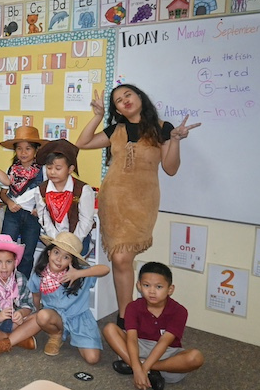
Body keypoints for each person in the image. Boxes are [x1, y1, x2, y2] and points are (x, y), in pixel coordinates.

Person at [75, 85, 200, 327]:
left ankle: (127, 316)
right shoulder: (116, 130)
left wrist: (175, 140)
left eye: (128, 95)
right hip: (113, 201)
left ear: (139, 97)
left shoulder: (162, 128)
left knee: (122, 257)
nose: (125, 101)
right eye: (118, 100)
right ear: (117, 110)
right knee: (119, 259)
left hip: (142, 202)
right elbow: (83, 142)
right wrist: (99, 116)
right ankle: (125, 316)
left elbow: (171, 168)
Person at [102, 262, 204, 390]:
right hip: (139, 346)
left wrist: (143, 368)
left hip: (167, 352)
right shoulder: (133, 307)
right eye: (146, 285)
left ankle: (140, 367)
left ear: (170, 289)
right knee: (109, 329)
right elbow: (132, 339)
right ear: (139, 286)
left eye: (159, 287)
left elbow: (164, 342)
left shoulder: (179, 311)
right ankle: (143, 370)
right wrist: (139, 369)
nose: (152, 291)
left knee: (195, 357)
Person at [18, 232, 109, 364]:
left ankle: (75, 335)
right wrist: (35, 314)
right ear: (49, 253)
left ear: (71, 261)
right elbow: (36, 295)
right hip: (55, 317)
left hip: (79, 318)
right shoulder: (40, 274)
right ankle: (56, 335)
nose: (59, 259)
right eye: (56, 252)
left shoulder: (80, 274)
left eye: (66, 257)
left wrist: (79, 274)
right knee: (42, 316)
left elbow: (105, 269)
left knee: (93, 359)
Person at [0, 126, 47, 280]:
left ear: (36, 150)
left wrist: (39, 208)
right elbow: (2, 193)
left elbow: (48, 194)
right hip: (12, 214)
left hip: (32, 217)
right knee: (6, 250)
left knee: (27, 254)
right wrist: (9, 202)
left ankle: (22, 285)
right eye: (19, 148)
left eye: (28, 148)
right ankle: (5, 282)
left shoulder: (43, 170)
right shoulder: (12, 170)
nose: (23, 152)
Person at [34, 139, 95, 255]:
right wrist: (57, 240)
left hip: (78, 239)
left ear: (70, 169)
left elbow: (86, 220)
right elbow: (43, 218)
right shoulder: (41, 190)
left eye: (58, 168)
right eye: (49, 168)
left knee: (74, 265)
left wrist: (72, 242)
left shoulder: (83, 190)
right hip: (55, 239)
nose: (52, 172)